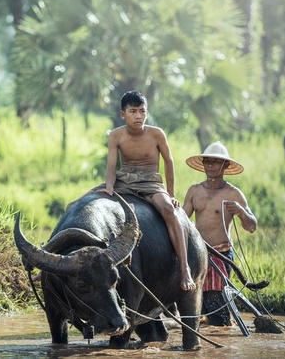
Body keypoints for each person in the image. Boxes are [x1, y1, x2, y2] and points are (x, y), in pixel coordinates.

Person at [97, 91, 196, 291]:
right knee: (82, 203)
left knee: (168, 210)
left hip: (150, 181)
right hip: (125, 180)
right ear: (123, 114)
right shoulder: (116, 135)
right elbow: (111, 167)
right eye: (133, 111)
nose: (138, 116)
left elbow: (169, 162)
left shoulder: (156, 134)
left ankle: (185, 269)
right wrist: (108, 186)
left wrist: (170, 193)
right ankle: (56, 262)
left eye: (142, 111)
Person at [182, 141, 258, 326]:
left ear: (225, 165)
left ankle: (223, 331)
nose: (210, 165)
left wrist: (240, 211)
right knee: (194, 304)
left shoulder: (233, 193)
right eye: (207, 161)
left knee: (215, 302)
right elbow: (182, 222)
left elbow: (252, 226)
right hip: (197, 254)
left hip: (220, 254)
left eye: (215, 162)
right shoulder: (194, 191)